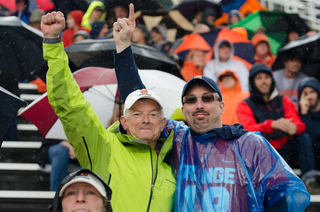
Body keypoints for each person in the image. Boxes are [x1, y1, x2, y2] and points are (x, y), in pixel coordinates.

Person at [113, 4, 310, 211]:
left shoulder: (250, 145)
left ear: (221, 105)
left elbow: (282, 193)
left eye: (207, 98)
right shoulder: (176, 139)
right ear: (184, 108)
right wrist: (124, 47)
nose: (199, 105)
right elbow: (138, 103)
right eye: (191, 100)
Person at [41, 11, 176, 211]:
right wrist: (52, 43)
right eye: (136, 114)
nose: (145, 119)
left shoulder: (175, 164)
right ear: (123, 121)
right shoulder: (103, 148)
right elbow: (70, 105)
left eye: (153, 114)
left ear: (163, 123)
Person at [236, 63, 320, 194]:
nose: (264, 81)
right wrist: (272, 124)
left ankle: (310, 180)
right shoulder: (244, 105)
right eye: (259, 78)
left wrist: (294, 128)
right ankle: (264, 183)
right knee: (257, 137)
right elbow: (248, 129)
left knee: (302, 137)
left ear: (272, 80)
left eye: (267, 77)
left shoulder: (283, 99)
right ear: (252, 82)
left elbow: (299, 124)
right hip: (264, 156)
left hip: (285, 153)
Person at [298, 77, 320, 169]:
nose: (309, 97)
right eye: (305, 94)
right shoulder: (300, 113)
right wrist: (304, 113)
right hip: (312, 157)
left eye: (312, 92)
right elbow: (311, 139)